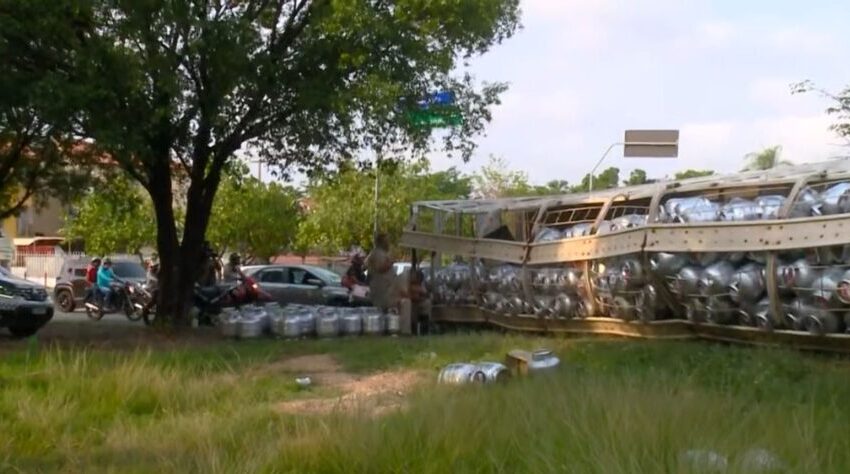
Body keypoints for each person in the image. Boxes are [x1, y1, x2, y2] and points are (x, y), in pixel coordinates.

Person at [366, 233, 395, 312]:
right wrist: (391, 262)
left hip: (386, 288)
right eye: (387, 240)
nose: (389, 243)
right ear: (382, 242)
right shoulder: (378, 253)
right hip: (381, 289)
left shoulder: (382, 253)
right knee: (382, 311)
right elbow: (380, 268)